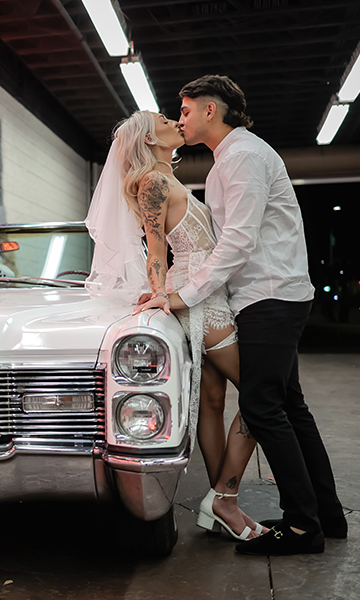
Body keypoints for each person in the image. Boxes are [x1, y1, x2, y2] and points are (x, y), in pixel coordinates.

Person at [154, 74, 346, 555]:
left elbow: (237, 241)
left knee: (262, 408)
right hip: (267, 295)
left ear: (211, 110)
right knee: (289, 406)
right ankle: (326, 515)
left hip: (269, 297)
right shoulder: (228, 159)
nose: (181, 119)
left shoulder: (241, 156)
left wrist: (185, 295)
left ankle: (302, 528)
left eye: (186, 110)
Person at [85, 110, 265, 540]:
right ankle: (224, 497)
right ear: (150, 139)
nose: (174, 121)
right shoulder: (153, 182)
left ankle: (220, 504)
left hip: (206, 294)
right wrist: (160, 293)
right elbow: (155, 249)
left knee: (214, 401)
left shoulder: (169, 179)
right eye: (165, 119)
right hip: (196, 300)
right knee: (263, 394)